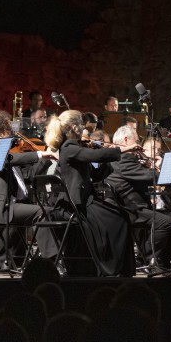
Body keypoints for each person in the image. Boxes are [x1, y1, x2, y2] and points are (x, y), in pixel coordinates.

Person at [44, 109, 133, 276]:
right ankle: (111, 266)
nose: (85, 130)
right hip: (75, 204)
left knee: (120, 216)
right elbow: (93, 156)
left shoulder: (76, 147)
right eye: (83, 126)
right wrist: (122, 150)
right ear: (76, 128)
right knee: (119, 218)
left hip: (85, 200)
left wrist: (105, 159)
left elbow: (96, 174)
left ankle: (115, 266)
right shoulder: (69, 147)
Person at [0, 111, 54, 270]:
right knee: (44, 212)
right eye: (9, 130)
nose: (13, 134)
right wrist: (38, 154)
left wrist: (45, 159)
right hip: (2, 206)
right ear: (0, 132)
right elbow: (4, 161)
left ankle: (16, 262)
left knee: (42, 212)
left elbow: (29, 175)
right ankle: (51, 260)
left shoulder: (9, 154)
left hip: (15, 202)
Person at [104, 124, 171, 270]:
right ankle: (148, 258)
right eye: (137, 142)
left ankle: (160, 260)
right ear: (125, 140)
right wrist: (160, 169)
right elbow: (150, 177)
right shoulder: (124, 158)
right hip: (131, 209)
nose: (139, 147)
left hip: (125, 206)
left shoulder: (116, 157)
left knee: (168, 217)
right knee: (166, 222)